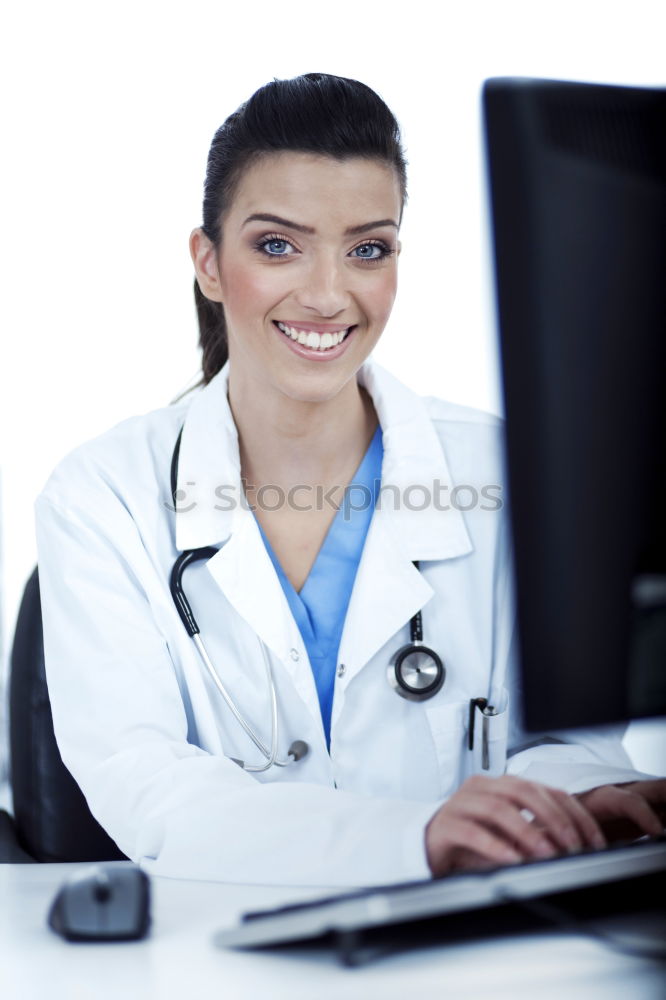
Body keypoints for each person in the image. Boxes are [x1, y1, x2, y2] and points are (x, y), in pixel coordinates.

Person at [35, 73, 664, 887]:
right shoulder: (102, 495)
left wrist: (589, 796)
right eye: (277, 245)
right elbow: (145, 784)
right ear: (209, 263)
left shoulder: (503, 473)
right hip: (213, 955)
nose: (330, 294)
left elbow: (563, 747)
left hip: (479, 954)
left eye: (368, 249)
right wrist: (416, 840)